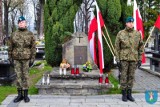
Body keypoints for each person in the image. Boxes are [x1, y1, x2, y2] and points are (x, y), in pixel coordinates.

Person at [115, 16, 144, 102]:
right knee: (123, 76)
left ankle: (129, 94)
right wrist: (117, 59)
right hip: (124, 58)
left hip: (133, 58)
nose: (131, 24)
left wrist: (139, 59)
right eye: (129, 22)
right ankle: (124, 94)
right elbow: (117, 47)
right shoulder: (121, 33)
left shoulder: (137, 34)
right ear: (126, 23)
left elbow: (141, 47)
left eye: (132, 22)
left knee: (131, 76)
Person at [8, 16, 36, 103]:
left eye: (23, 22)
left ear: (25, 23)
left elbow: (33, 47)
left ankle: (26, 95)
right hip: (16, 58)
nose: (21, 23)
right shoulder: (14, 34)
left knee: (26, 76)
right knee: (18, 76)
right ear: (18, 24)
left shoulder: (30, 34)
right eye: (20, 22)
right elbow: (10, 47)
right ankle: (20, 95)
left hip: (26, 59)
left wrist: (32, 59)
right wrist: (10, 58)